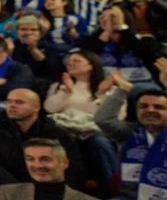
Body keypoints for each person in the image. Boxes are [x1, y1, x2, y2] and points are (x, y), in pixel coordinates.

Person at [0, 88, 82, 200]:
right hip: (7, 184)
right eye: (9, 101)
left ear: (36, 107)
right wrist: (16, 186)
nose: (12, 106)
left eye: (19, 102)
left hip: (45, 184)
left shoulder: (55, 133)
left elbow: (73, 166)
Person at [44, 50, 120, 189]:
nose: (70, 64)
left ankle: (112, 187)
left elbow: (116, 117)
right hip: (66, 130)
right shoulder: (58, 86)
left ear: (91, 66)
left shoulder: (109, 88)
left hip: (94, 131)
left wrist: (102, 95)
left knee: (100, 143)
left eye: (77, 61)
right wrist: (66, 92)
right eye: (69, 61)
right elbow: (50, 109)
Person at [95, 81, 167, 200]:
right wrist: (122, 91)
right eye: (143, 106)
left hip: (165, 199)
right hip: (131, 198)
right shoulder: (129, 131)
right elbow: (103, 120)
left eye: (158, 107)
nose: (150, 110)